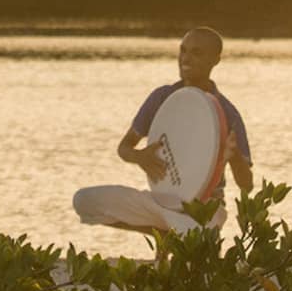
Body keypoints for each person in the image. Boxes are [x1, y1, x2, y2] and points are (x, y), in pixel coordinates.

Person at [73, 28, 252, 237]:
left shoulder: (228, 113)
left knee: (193, 232)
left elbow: (246, 184)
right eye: (183, 50)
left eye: (196, 53)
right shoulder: (162, 97)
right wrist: (139, 156)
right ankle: (163, 234)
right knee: (84, 201)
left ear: (215, 59)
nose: (186, 58)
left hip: (204, 209)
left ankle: (181, 235)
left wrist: (235, 157)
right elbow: (124, 147)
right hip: (160, 202)